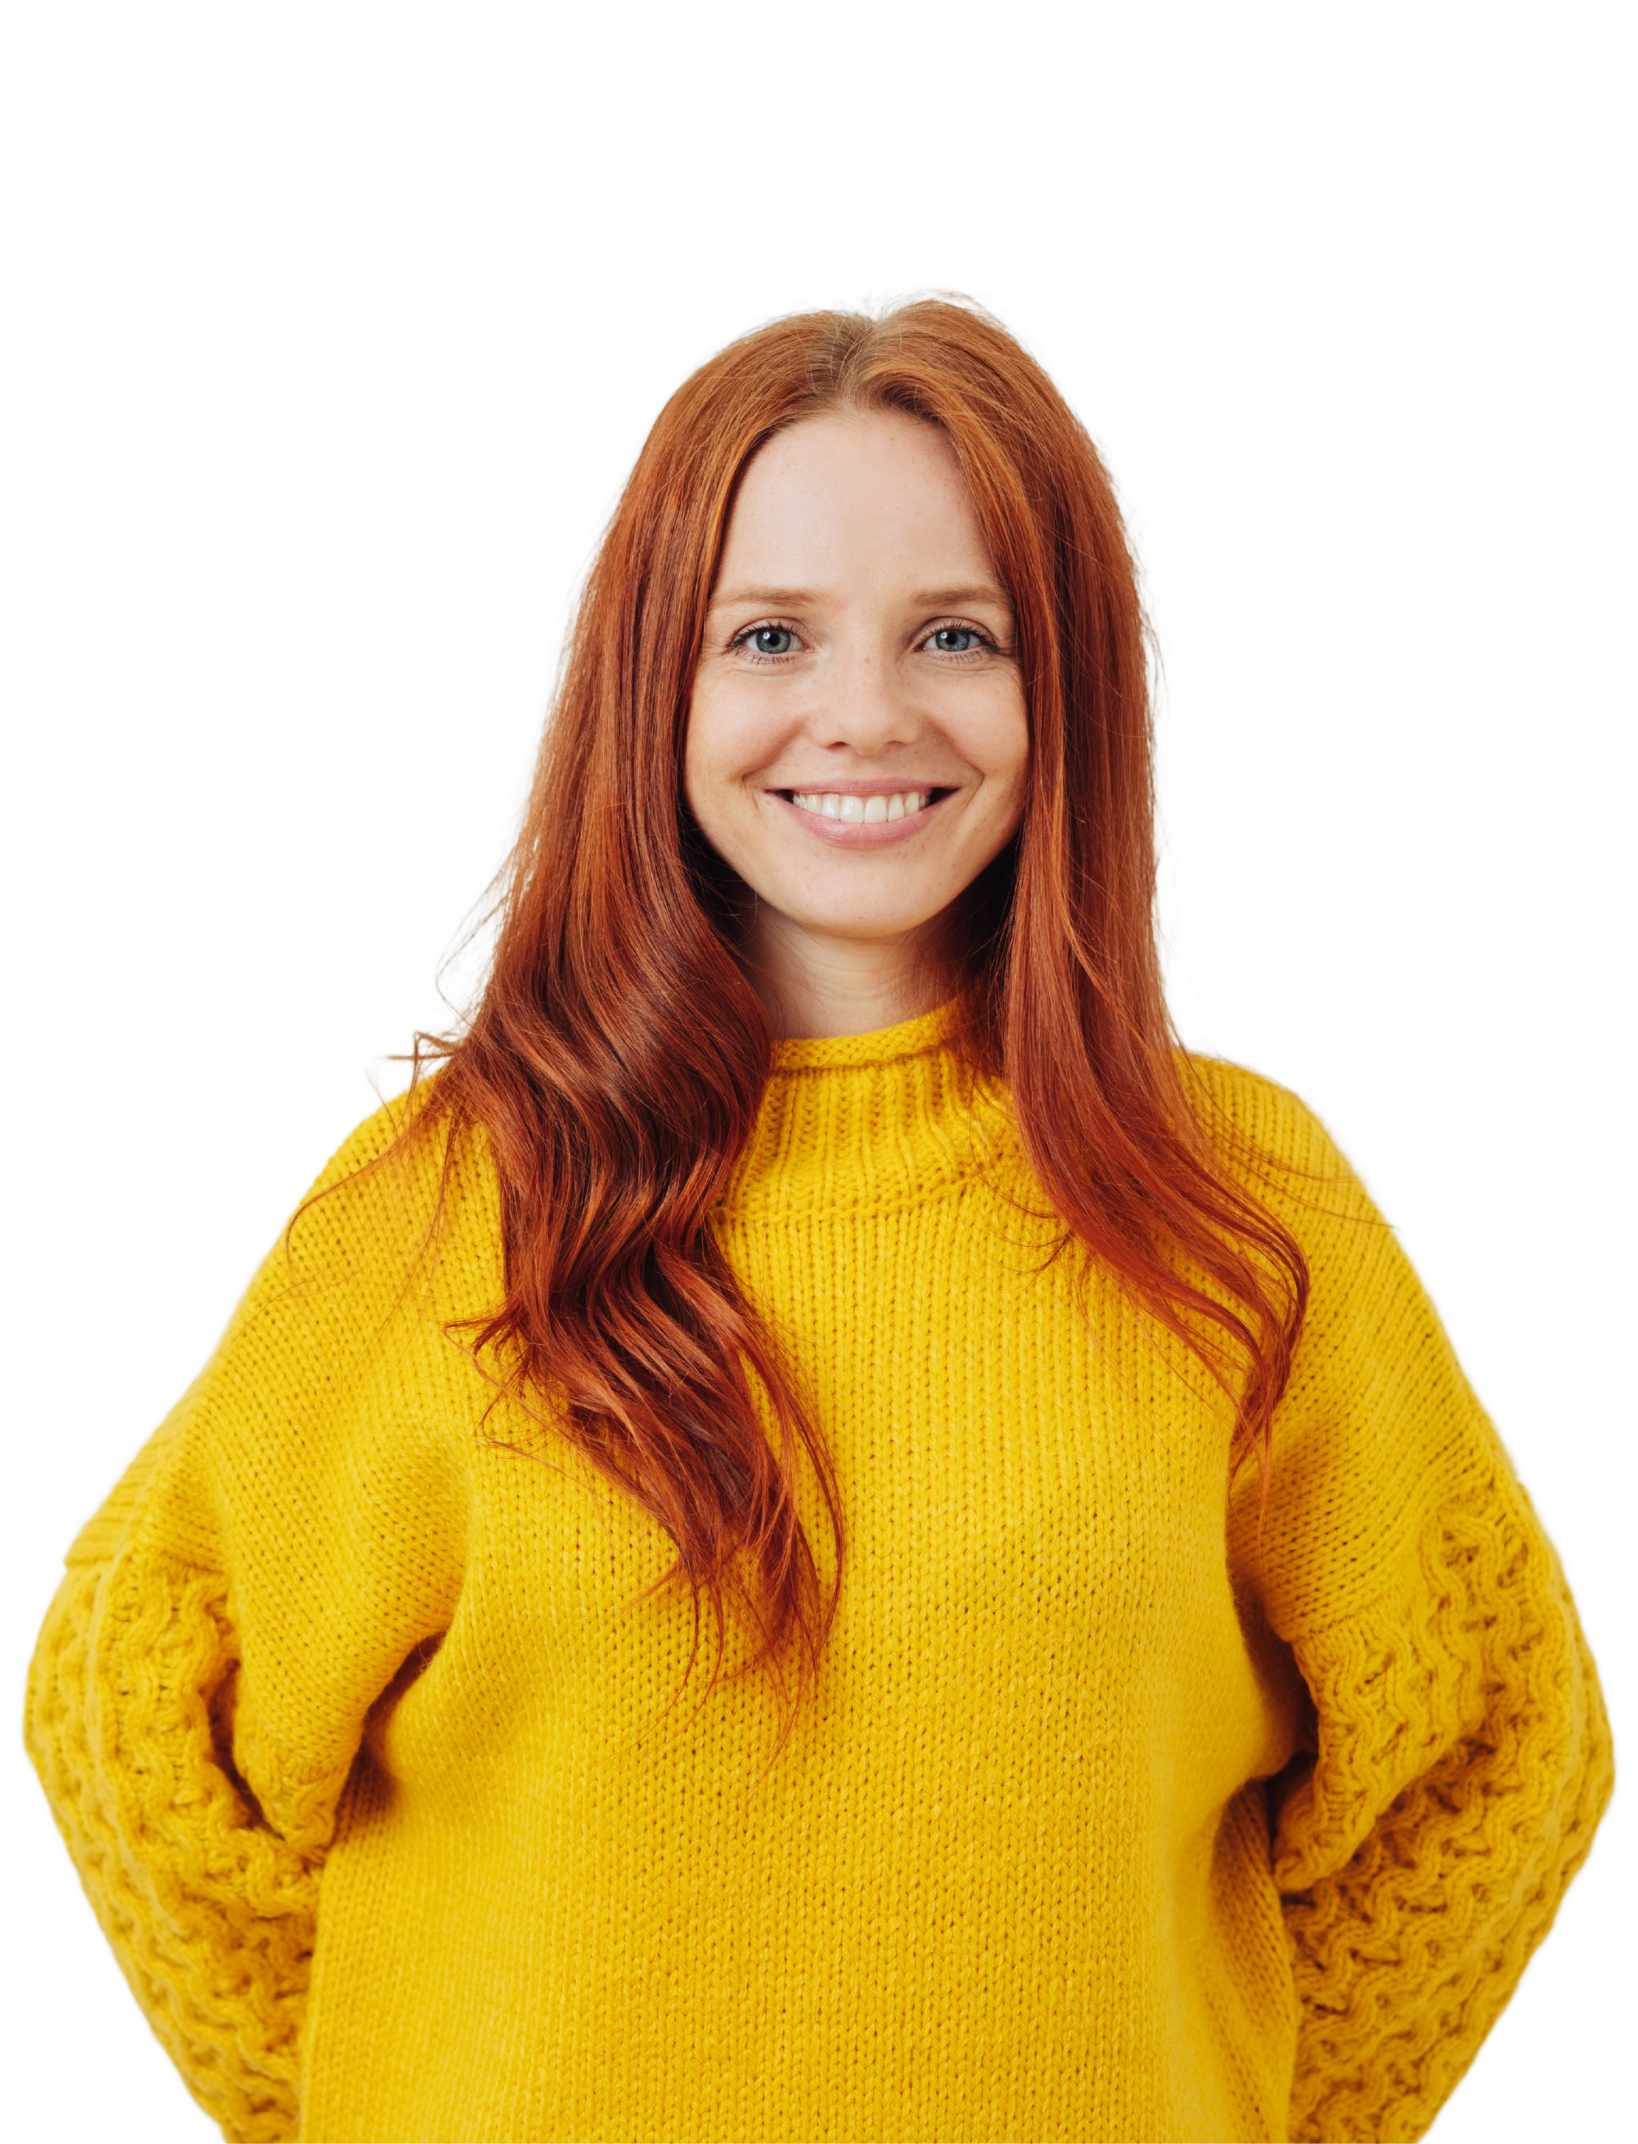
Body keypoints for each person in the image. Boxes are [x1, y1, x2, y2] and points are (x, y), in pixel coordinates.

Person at [15, 281, 1618, 2143]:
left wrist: (1243, 2102)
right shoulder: (442, 1203)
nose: (863, 715)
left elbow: (1494, 1761)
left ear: (1069, 686)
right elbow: (136, 1727)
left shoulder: (1243, 1204)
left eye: (957, 634)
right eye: (766, 636)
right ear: (651, 686)